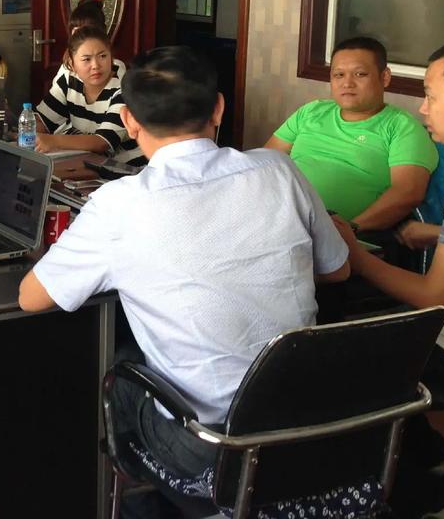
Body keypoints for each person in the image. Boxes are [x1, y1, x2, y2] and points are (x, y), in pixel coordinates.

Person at [19, 46, 349, 502]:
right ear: (218, 109)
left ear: (129, 121)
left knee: (115, 365)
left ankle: (150, 503)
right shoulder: (279, 170)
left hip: (212, 447)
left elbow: (31, 298)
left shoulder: (119, 204)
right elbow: (337, 269)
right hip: (307, 422)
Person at [335, 39, 444, 515]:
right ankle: (431, 461)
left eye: (430, 94)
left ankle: (429, 497)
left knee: (342, 366)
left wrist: (356, 255)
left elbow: (435, 296)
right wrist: (443, 232)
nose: (423, 108)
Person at [265, 36, 437, 233]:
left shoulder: (402, 127)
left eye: (360, 74)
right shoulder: (311, 112)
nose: (347, 83)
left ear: (385, 77)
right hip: (281, 221)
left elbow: (407, 193)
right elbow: (267, 161)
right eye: (339, 75)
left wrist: (347, 230)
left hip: (345, 237)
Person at [34, 26, 141, 163]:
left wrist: (52, 141)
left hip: (125, 164)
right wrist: (27, 134)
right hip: (88, 159)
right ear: (72, 64)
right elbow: (43, 120)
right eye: (86, 59)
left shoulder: (124, 88)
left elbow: (103, 142)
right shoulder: (69, 80)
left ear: (111, 58)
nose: (95, 65)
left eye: (103, 56)